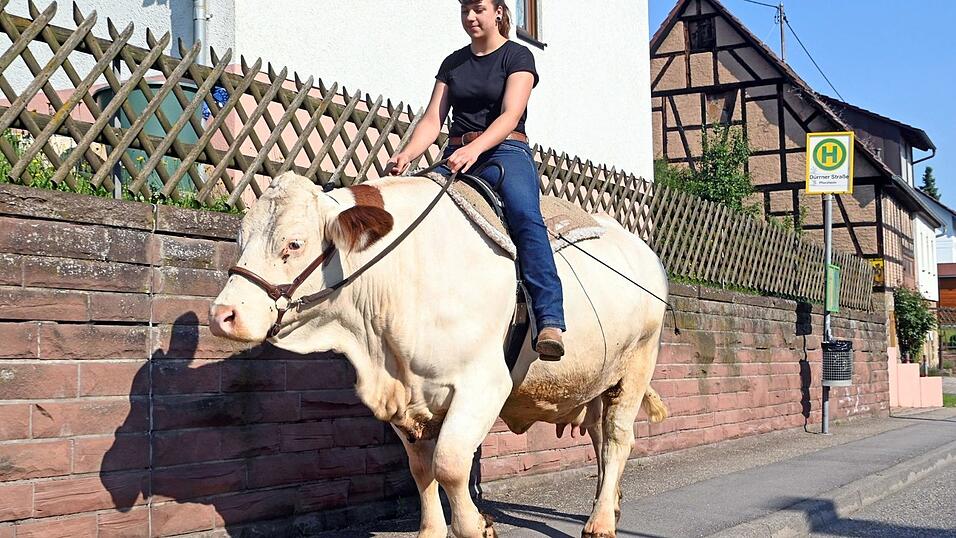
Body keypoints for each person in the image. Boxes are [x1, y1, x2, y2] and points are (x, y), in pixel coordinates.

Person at [388, 0, 565, 358]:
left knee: (525, 218)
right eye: (465, 9)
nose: (470, 17)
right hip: (456, 153)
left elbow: (510, 115)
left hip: (505, 152)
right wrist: (407, 154)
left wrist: (476, 149)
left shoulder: (517, 57)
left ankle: (549, 319)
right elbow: (431, 121)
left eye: (478, 9)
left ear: (498, 11)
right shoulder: (453, 63)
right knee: (412, 207)